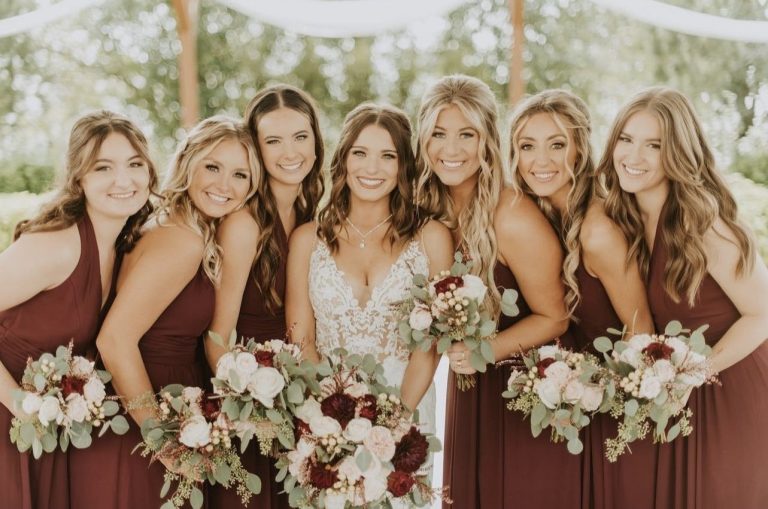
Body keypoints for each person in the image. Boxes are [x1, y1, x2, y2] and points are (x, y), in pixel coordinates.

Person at [69, 115, 259, 509]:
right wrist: (163, 441)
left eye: (240, 175)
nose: (225, 185)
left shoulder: (174, 223)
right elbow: (115, 339)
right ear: (188, 162)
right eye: (212, 167)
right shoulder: (182, 240)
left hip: (157, 409)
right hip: (143, 421)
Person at [598, 86, 768, 508]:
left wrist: (692, 373)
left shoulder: (701, 221)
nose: (633, 156)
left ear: (677, 153)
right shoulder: (626, 216)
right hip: (675, 394)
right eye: (626, 139)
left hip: (730, 386)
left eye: (653, 145)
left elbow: (763, 313)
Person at [414, 75, 573, 508]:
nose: (452, 149)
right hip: (472, 393)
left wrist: (487, 349)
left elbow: (556, 316)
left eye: (467, 134)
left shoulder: (512, 215)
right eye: (439, 134)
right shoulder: (431, 211)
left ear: (487, 140)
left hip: (519, 394)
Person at [285, 103, 453, 482]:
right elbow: (302, 337)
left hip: (408, 415)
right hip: (327, 421)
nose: (371, 169)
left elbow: (428, 347)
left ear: (403, 166)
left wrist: (394, 427)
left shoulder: (431, 237)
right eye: (360, 153)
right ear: (343, 159)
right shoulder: (307, 240)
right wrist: (330, 422)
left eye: (387, 156)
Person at [0, 110, 156, 509]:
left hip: (44, 429)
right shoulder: (60, 244)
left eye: (135, 164)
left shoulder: (126, 246)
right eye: (104, 167)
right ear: (79, 178)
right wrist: (20, 403)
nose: (124, 180)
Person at [508, 89, 654, 507]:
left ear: (579, 150)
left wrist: (589, 389)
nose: (541, 161)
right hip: (581, 410)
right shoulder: (546, 216)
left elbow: (641, 334)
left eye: (557, 145)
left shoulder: (597, 231)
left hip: (619, 410)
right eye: (527, 146)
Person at [206, 84, 325, 509]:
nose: (289, 152)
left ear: (316, 140)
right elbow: (217, 335)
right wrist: (257, 412)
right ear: (256, 149)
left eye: (300, 136)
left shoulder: (314, 211)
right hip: (256, 410)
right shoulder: (245, 224)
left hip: (303, 399)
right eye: (273, 140)